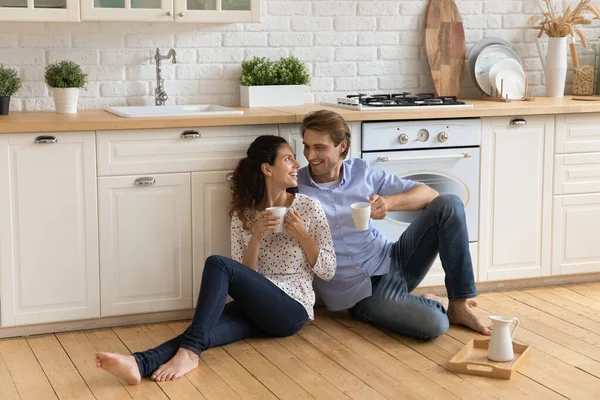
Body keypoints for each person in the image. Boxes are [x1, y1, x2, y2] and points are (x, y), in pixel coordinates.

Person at [95, 135, 336, 384]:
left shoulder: (308, 208)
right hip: (256, 306)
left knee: (217, 264)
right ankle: (138, 363)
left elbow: (328, 270)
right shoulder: (244, 214)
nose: (298, 164)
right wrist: (256, 235)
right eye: (288, 159)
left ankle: (187, 355)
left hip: (291, 309)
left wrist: (304, 236)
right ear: (267, 169)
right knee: (202, 332)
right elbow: (246, 276)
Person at [297, 109, 491, 341]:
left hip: (394, 259)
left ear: (342, 146)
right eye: (306, 146)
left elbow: (429, 193)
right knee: (434, 324)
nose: (310, 155)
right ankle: (429, 302)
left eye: (320, 147)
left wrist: (389, 203)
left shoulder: (362, 173)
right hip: (361, 294)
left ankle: (459, 304)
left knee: (449, 204)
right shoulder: (295, 187)